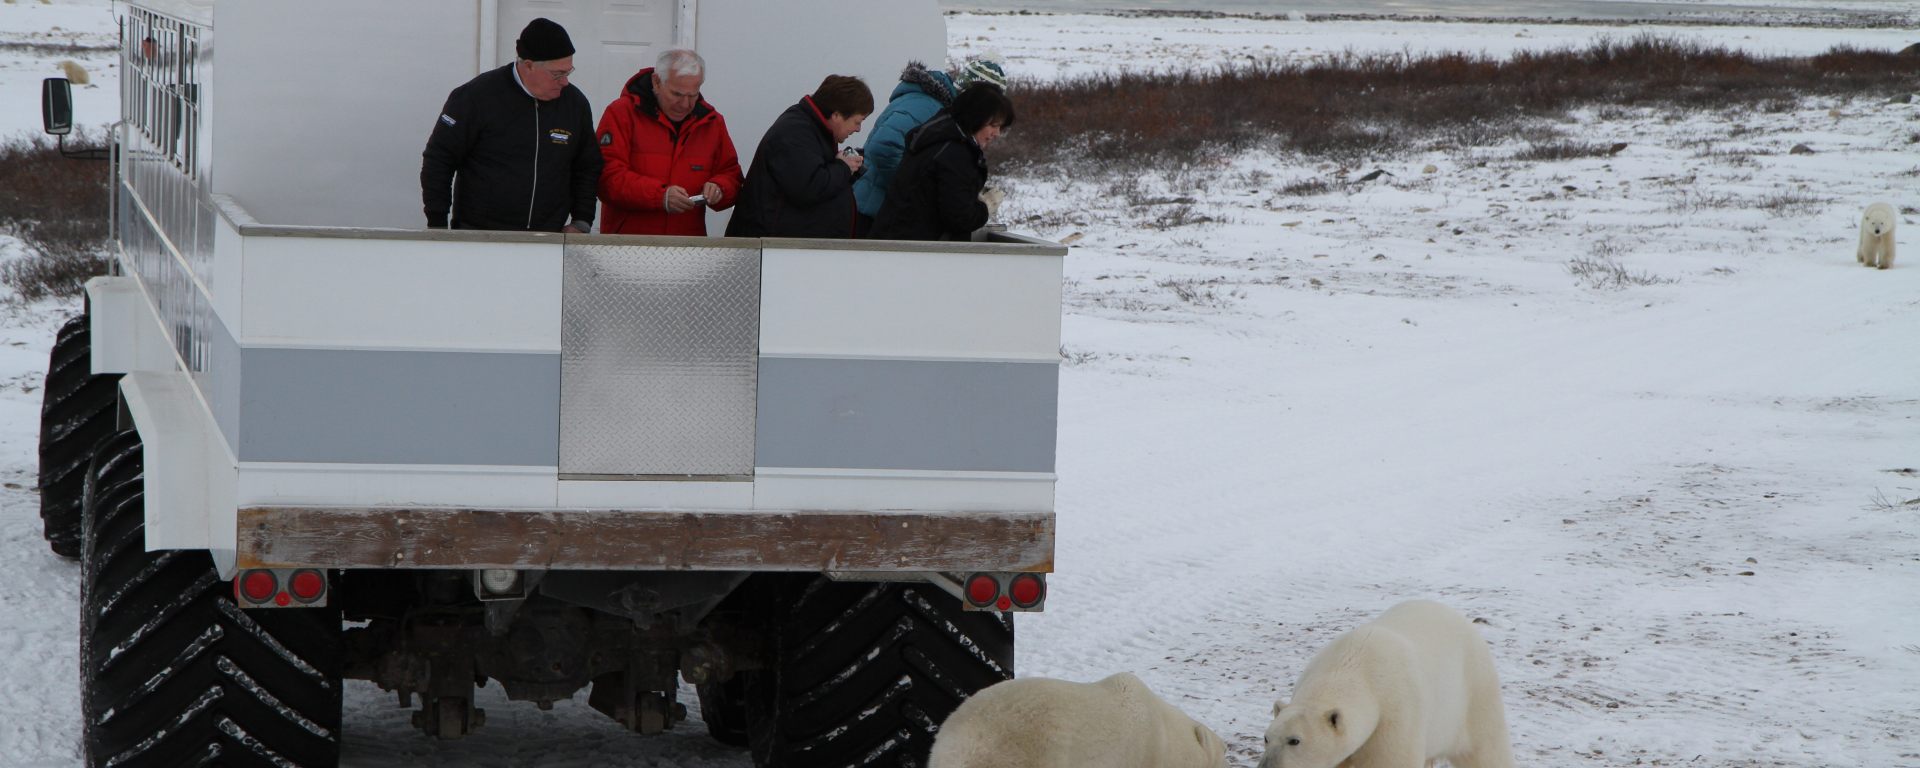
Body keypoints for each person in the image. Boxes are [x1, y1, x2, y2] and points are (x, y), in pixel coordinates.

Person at [421, 18, 601, 232]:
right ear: (528, 65)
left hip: (548, 238)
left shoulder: (574, 103)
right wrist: (437, 223)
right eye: (557, 74)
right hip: (481, 235)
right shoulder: (476, 97)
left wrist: (582, 221)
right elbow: (439, 159)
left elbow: (587, 165)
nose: (565, 82)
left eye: (568, 72)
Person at [853, 58, 1007, 236]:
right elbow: (883, 148)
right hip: (875, 211)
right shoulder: (926, 106)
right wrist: (918, 193)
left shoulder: (939, 110)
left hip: (882, 211)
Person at [596, 49, 742, 236]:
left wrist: (719, 188)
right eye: (677, 94)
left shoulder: (712, 123)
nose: (685, 104)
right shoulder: (621, 114)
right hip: (629, 244)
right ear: (657, 82)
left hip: (687, 246)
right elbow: (607, 177)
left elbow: (731, 175)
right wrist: (660, 197)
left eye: (693, 95)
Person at [724, 75, 873, 238]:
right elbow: (809, 188)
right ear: (836, 115)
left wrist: (844, 168)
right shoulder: (795, 133)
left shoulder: (811, 129)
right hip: (772, 248)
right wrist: (843, 167)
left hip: (783, 246)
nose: (858, 129)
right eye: (857, 121)